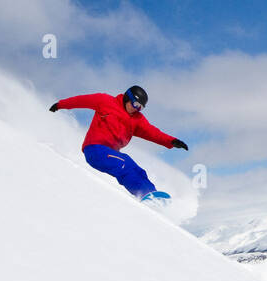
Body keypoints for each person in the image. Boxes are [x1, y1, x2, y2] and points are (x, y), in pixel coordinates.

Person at [49, 85, 187, 201]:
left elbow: (152, 132)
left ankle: (153, 196)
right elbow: (81, 100)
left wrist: (172, 141)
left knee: (136, 169)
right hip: (95, 149)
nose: (136, 109)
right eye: (135, 104)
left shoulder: (137, 119)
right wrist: (60, 105)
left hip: (112, 153)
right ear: (128, 98)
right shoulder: (105, 101)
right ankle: (145, 195)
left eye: (140, 107)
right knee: (124, 165)